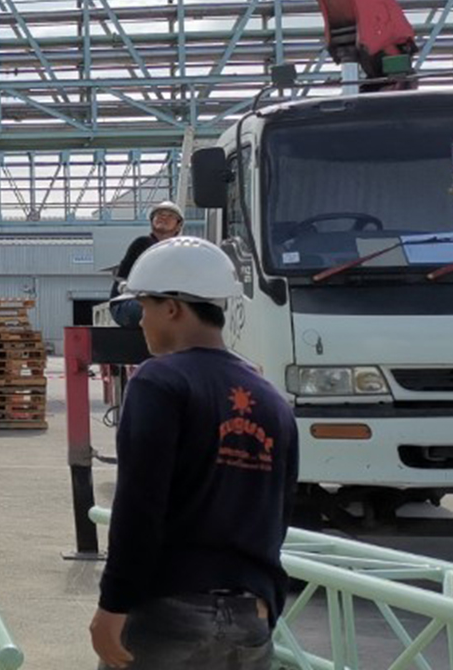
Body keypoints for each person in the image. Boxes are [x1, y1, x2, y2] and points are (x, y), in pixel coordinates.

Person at [91, 236, 297, 670]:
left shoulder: (159, 381)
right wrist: (267, 600)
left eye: (144, 307)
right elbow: (278, 513)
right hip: (250, 621)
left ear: (172, 308)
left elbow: (140, 505)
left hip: (169, 614)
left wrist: (113, 604)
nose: (141, 321)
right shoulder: (271, 398)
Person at [110, 201, 186, 327]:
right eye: (159, 215)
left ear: (178, 226)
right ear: (152, 222)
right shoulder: (143, 244)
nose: (164, 218)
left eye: (170, 216)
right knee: (162, 308)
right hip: (127, 304)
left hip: (156, 302)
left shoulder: (180, 251)